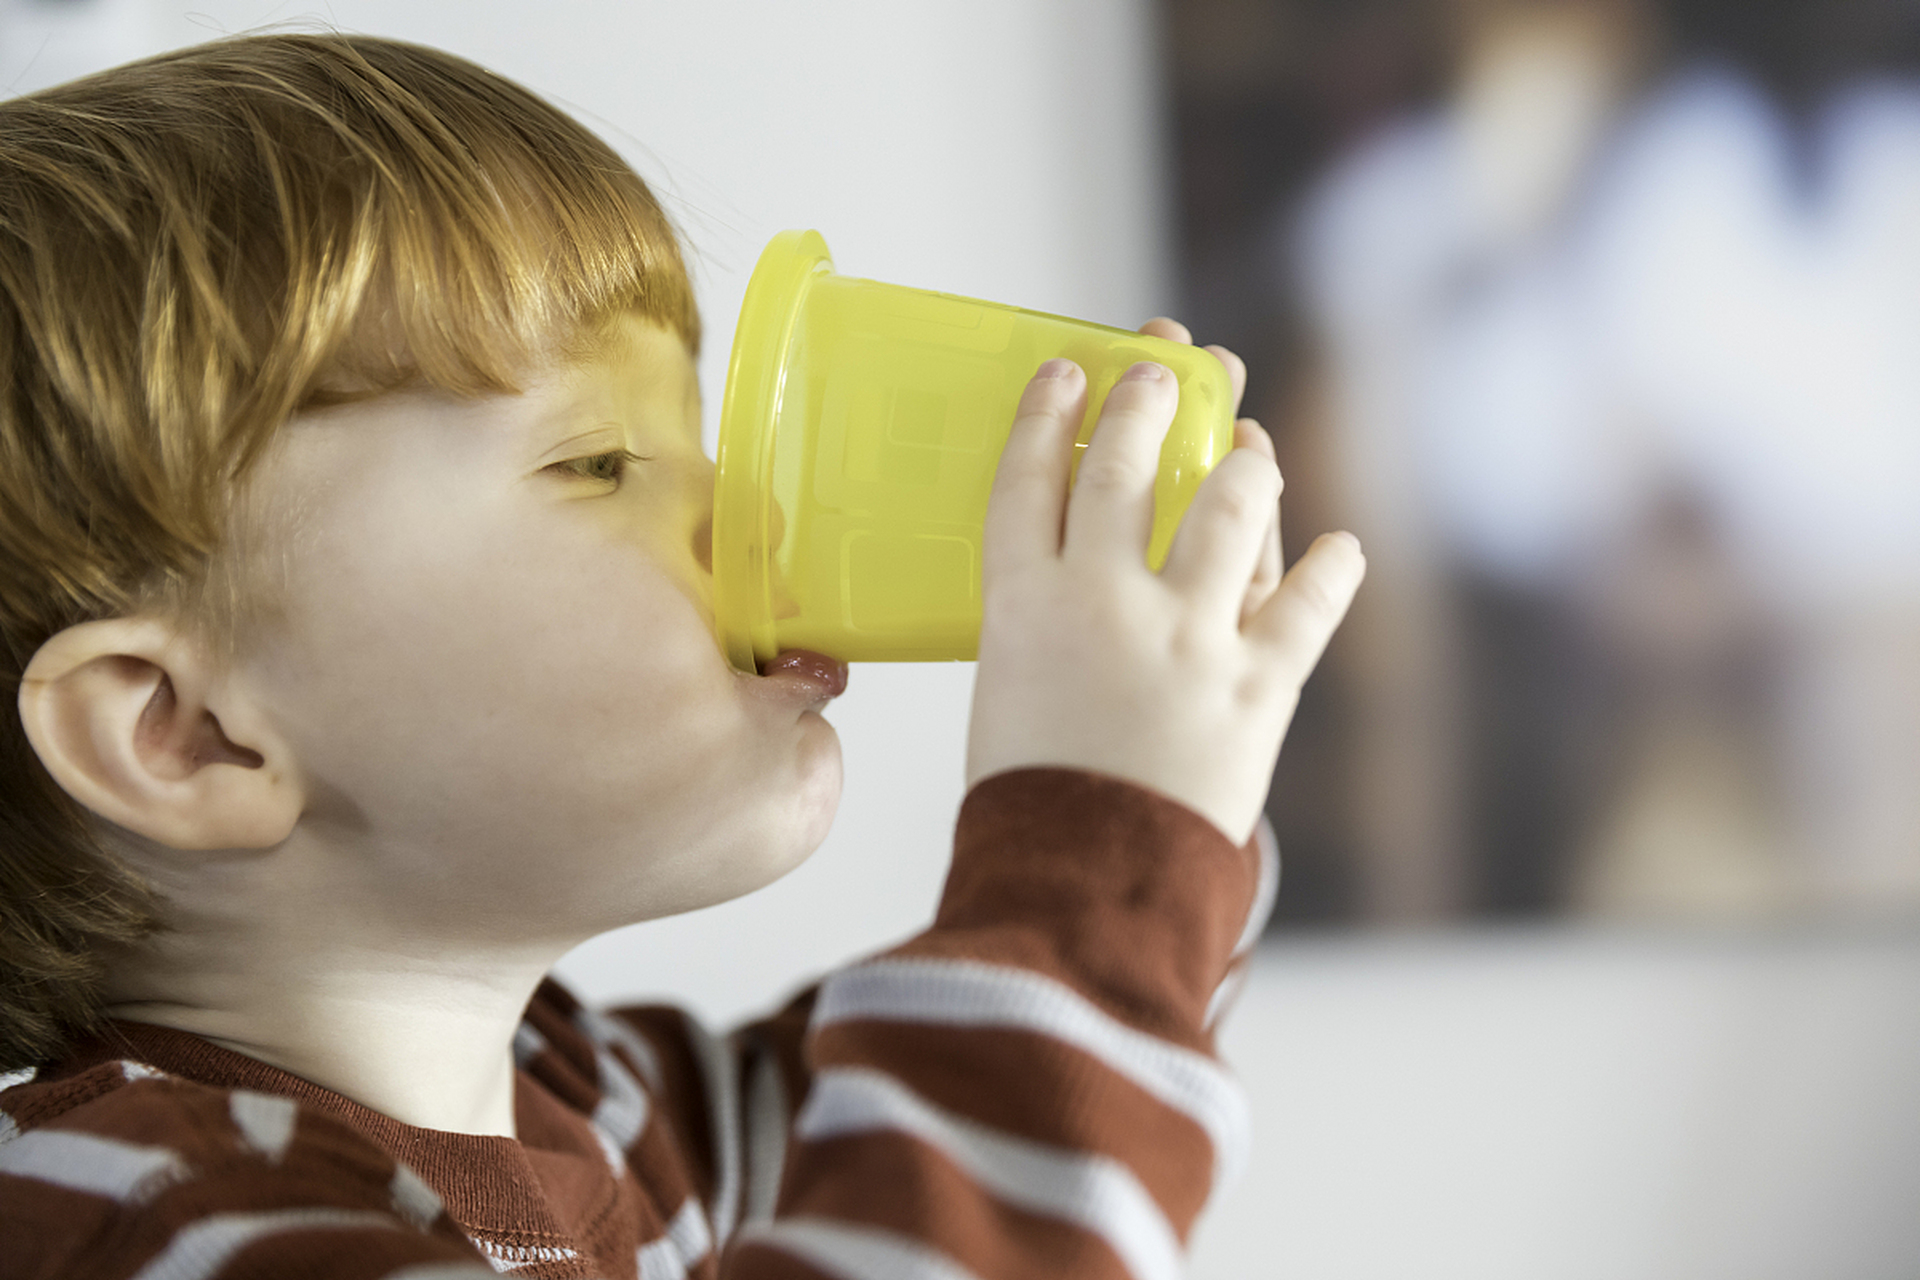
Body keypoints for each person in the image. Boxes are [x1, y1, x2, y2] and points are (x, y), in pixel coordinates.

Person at [0, 33, 1364, 1279]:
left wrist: (1164, 761)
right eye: (597, 463)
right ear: (187, 734)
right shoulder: (129, 1221)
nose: (749, 507)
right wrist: (1102, 823)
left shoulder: (616, 1116)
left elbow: (1017, 1042)